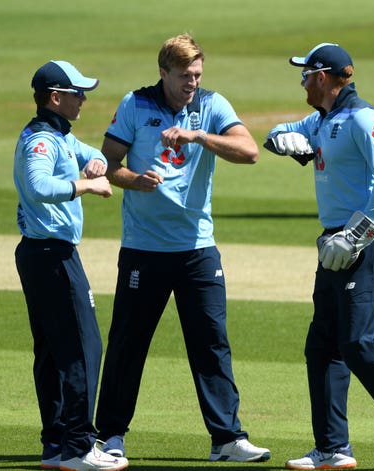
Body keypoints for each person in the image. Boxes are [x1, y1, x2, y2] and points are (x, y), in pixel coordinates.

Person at [94, 33, 271, 463]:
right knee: (128, 343)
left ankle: (226, 439)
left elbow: (249, 152)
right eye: (183, 76)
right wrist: (135, 181)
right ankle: (110, 436)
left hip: (197, 247)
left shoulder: (211, 105)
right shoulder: (135, 105)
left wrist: (199, 138)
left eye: (197, 75)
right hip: (144, 248)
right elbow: (107, 164)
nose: (191, 82)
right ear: (163, 73)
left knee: (211, 342)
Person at [264, 43, 374, 469]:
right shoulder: (321, 119)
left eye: (305, 74)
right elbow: (281, 134)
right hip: (333, 240)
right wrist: (282, 141)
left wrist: (354, 235)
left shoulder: (364, 118)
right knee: (323, 343)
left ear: (322, 77)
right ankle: (332, 448)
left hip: (370, 238)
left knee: (358, 340)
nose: (302, 81)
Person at [13, 60, 128, 471]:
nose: (84, 99)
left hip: (43, 254)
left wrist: (96, 161)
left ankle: (57, 445)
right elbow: (40, 186)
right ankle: (79, 446)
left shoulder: (61, 135)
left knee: (54, 350)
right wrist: (88, 183)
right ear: (56, 98)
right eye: (78, 93)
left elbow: (90, 153)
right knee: (84, 346)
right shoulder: (40, 141)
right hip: (51, 256)